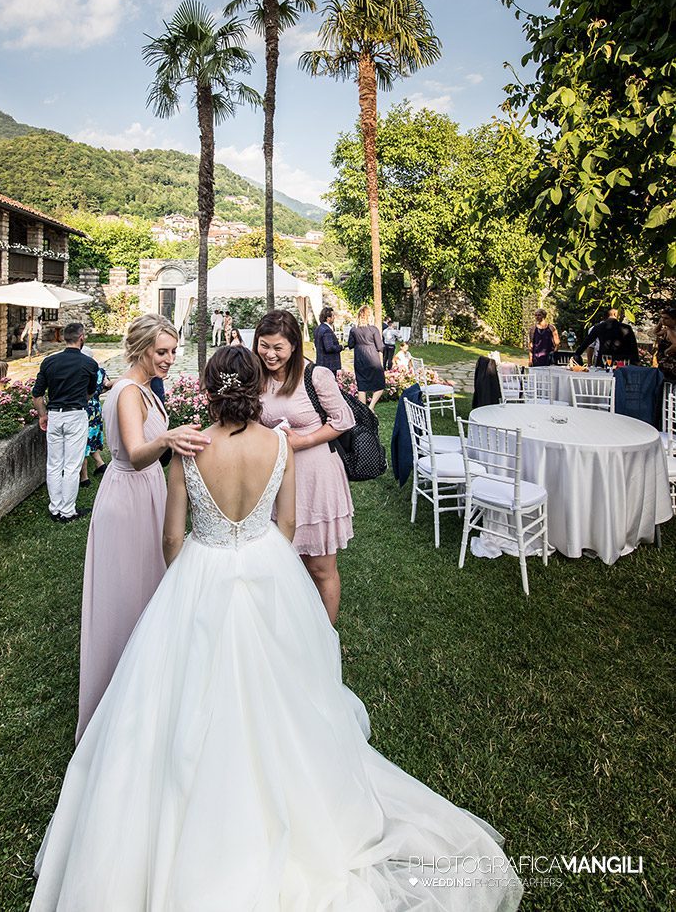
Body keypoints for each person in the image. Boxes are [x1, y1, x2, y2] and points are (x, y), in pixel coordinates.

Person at [30, 345, 522, 912]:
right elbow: (286, 524)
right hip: (266, 565)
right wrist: (264, 566)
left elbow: (171, 537)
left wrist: (189, 570)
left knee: (178, 698)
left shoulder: (189, 451)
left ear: (210, 391)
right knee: (287, 693)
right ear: (253, 390)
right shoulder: (281, 444)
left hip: (203, 567)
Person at [75, 314, 210, 743]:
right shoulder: (129, 392)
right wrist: (169, 439)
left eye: (173, 351)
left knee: (151, 590)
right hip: (129, 496)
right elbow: (135, 453)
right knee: (129, 596)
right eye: (162, 352)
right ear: (141, 350)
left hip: (148, 489)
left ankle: (146, 693)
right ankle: (117, 704)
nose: (170, 359)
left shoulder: (142, 389)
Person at [254, 309, 354, 624]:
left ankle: (325, 634)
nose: (269, 354)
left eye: (277, 347)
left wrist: (303, 440)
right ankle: (291, 629)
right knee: (282, 564)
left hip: (316, 477)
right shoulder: (258, 379)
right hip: (276, 479)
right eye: (263, 345)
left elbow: (343, 420)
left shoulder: (316, 376)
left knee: (320, 568)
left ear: (294, 346)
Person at [32, 323, 98, 523]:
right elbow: (90, 392)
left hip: (54, 415)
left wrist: (43, 415)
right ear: (81, 337)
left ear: (64, 338)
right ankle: (67, 511)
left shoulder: (49, 362)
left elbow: (37, 394)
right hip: (75, 414)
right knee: (71, 465)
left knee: (53, 464)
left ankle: (55, 508)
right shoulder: (89, 364)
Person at [79, 350, 112, 488]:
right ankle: (100, 464)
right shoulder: (100, 371)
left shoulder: (82, 371)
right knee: (92, 438)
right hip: (96, 408)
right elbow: (108, 385)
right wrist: (97, 394)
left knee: (83, 443)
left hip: (84, 409)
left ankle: (84, 478)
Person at [348, 304, 385, 413]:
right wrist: (381, 362)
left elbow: (350, 345)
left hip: (359, 359)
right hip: (373, 358)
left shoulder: (353, 330)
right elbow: (380, 347)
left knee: (362, 386)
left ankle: (364, 412)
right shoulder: (373, 329)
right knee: (380, 384)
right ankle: (371, 407)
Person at [574, 307, 639, 367]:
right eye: (621, 313)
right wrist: (635, 362)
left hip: (603, 361)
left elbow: (586, 342)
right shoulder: (626, 328)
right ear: (615, 314)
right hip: (621, 363)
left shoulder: (598, 327)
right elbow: (633, 346)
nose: (623, 316)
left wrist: (577, 354)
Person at [313, 305, 343, 373]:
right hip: (329, 365)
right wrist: (341, 347)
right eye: (333, 316)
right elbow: (329, 348)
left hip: (320, 363)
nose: (334, 317)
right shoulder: (327, 330)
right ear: (328, 318)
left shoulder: (318, 328)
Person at [653, 306, 676, 382]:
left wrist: (666, 352)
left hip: (670, 366)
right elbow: (656, 332)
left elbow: (675, 345)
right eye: (662, 318)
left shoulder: (670, 331)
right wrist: (660, 322)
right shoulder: (667, 329)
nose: (663, 320)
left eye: (666, 318)